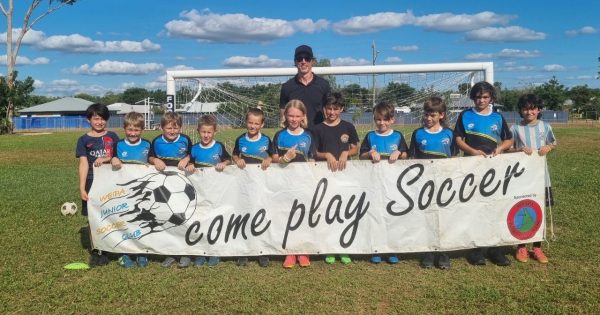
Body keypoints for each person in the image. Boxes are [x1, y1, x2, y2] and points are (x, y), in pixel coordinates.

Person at [454, 81, 514, 266]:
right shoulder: (465, 115)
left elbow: (509, 140)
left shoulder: (497, 117)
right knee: (473, 206)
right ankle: (475, 249)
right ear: (473, 97)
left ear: (492, 99)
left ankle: (495, 248)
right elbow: (458, 139)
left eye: (485, 97)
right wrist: (472, 151)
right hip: (471, 167)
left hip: (493, 169)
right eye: (478, 97)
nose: (481, 100)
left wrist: (500, 149)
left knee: (493, 206)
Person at [408, 97, 458, 269]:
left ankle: (444, 253)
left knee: (444, 217)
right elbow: (412, 159)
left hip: (444, 183)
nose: (428, 118)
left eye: (433, 115)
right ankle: (428, 252)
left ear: (441, 115)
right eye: (427, 114)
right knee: (426, 216)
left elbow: (454, 158)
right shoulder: (418, 133)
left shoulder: (449, 134)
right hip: (424, 184)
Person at [312, 92, 359, 265]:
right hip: (325, 177)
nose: (332, 112)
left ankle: (344, 247)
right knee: (327, 212)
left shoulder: (348, 126)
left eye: (335, 109)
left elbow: (355, 148)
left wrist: (346, 152)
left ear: (341, 109)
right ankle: (330, 247)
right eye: (329, 109)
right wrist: (327, 155)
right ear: (324, 109)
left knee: (345, 212)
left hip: (346, 177)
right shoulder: (317, 128)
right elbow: (314, 152)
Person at [359, 101, 408, 265]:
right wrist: (370, 153)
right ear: (374, 119)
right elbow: (361, 156)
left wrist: (399, 152)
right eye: (378, 120)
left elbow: (407, 155)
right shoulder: (370, 136)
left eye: (385, 120)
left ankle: (392, 248)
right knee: (375, 213)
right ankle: (376, 248)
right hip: (374, 183)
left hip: (394, 184)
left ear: (392, 120)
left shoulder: (398, 136)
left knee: (392, 215)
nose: (382, 123)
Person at [510, 94, 556, 264]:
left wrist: (548, 147)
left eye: (532, 108)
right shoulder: (515, 128)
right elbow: (509, 148)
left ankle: (537, 247)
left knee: (539, 211)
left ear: (538, 110)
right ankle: (521, 246)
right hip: (521, 178)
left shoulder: (546, 126)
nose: (529, 111)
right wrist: (519, 150)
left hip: (542, 178)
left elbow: (553, 143)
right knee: (521, 209)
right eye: (525, 108)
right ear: (521, 110)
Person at [273, 99, 316, 268]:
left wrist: (312, 165)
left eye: (297, 116)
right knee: (287, 215)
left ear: (303, 116)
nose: (293, 119)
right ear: (285, 116)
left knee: (303, 215)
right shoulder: (279, 135)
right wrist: (284, 159)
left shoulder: (308, 135)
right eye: (290, 115)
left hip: (304, 183)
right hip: (284, 183)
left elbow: (312, 156)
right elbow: (274, 157)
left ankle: (303, 251)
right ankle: (289, 252)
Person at [75, 103, 119, 267]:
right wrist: (81, 187)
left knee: (112, 213)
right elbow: (84, 164)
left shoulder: (113, 137)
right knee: (93, 217)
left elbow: (118, 157)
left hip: (111, 182)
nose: (99, 122)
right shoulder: (83, 140)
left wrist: (107, 159)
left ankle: (112, 245)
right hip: (91, 182)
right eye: (96, 119)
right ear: (89, 120)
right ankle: (97, 250)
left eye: (102, 119)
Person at [185, 114, 231, 267]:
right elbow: (189, 163)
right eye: (203, 132)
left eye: (209, 132)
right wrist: (190, 165)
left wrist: (224, 163)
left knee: (215, 220)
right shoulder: (194, 148)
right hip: (199, 192)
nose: (206, 135)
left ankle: (214, 252)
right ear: (198, 131)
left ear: (215, 132)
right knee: (200, 220)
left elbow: (228, 159)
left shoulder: (219, 147)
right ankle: (199, 252)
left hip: (216, 192)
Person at [148, 111, 193, 268]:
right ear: (161, 128)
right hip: (162, 189)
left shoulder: (186, 140)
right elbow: (150, 157)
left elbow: (192, 156)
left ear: (180, 128)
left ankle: (185, 252)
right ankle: (169, 253)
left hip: (182, 188)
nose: (172, 131)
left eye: (176, 128)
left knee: (182, 216)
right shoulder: (156, 141)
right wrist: (155, 160)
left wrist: (187, 159)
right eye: (168, 128)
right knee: (164, 216)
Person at [232, 108, 275, 267]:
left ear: (262, 124)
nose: (252, 126)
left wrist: (269, 159)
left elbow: (272, 156)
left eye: (256, 123)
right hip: (245, 185)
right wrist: (237, 159)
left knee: (262, 214)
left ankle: (262, 251)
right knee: (246, 214)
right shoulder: (240, 139)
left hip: (262, 185)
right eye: (250, 122)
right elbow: (235, 154)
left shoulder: (266, 140)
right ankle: (244, 251)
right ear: (246, 122)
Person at [110, 111, 151, 268]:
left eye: (136, 130)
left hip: (143, 192)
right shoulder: (118, 145)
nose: (133, 133)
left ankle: (141, 252)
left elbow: (153, 160)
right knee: (125, 220)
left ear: (142, 130)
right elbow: (112, 160)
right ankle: (124, 253)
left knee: (141, 220)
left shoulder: (148, 144)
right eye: (130, 130)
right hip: (123, 192)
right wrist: (113, 159)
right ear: (124, 129)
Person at [280, 44, 331, 129]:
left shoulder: (323, 85)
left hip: (318, 136)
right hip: (296, 137)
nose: (303, 61)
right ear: (295, 62)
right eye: (299, 59)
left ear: (312, 61)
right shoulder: (287, 87)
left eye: (307, 58)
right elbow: (283, 115)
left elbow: (329, 112)